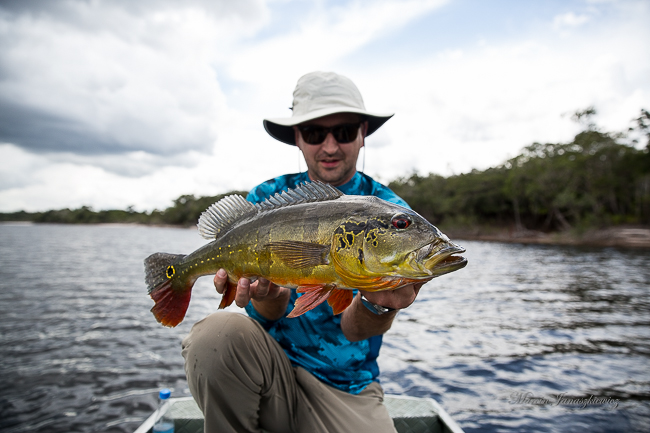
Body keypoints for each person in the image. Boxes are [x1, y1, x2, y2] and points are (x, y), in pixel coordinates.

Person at [181, 71, 423, 433]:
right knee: (216, 334)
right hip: (268, 373)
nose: (329, 146)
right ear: (297, 138)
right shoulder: (266, 201)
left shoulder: (392, 217)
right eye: (313, 133)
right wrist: (269, 297)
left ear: (362, 135)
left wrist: (379, 301)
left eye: (343, 132)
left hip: (346, 385)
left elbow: (354, 330)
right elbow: (271, 313)